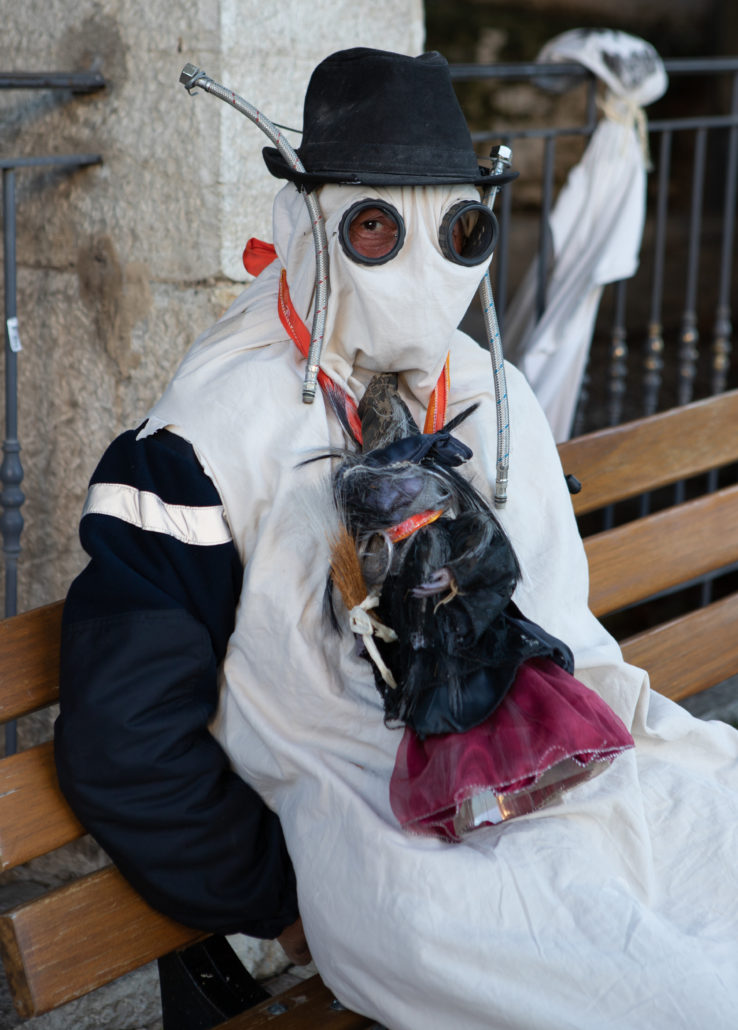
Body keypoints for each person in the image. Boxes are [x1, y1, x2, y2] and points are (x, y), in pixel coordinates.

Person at [55, 47, 738, 1029]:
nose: (422, 267)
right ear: (308, 221)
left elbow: (564, 631)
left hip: (590, 767)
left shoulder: (494, 396)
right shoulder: (202, 442)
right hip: (398, 851)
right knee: (670, 998)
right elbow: (125, 738)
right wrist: (278, 896)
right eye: (375, 227)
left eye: (458, 230)